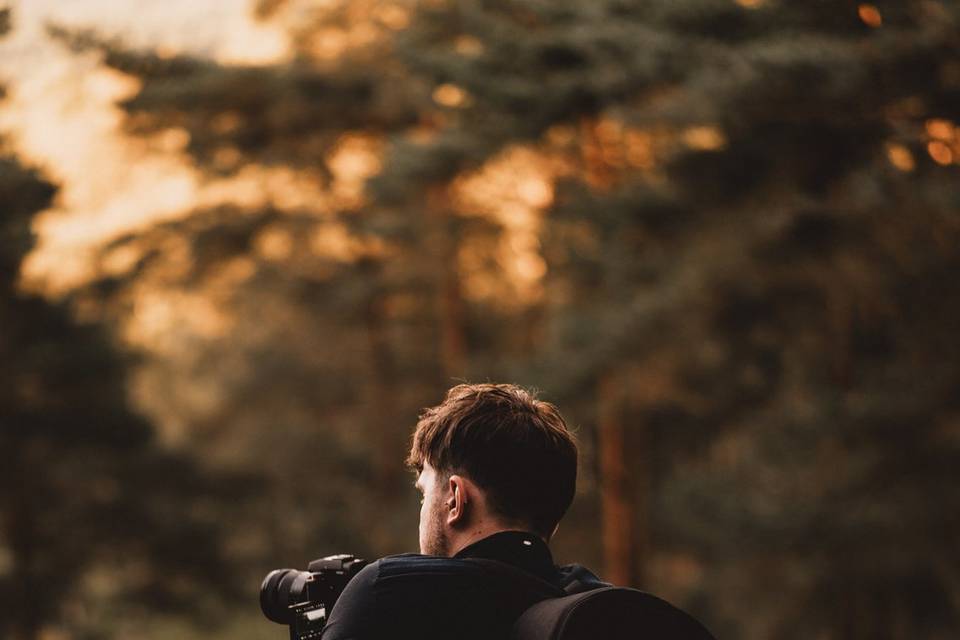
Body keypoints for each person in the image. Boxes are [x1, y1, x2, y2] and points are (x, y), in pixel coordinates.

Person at [320, 382, 605, 640]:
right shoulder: (598, 607)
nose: (422, 509)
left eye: (424, 494)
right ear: (553, 523)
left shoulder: (389, 592)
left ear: (455, 500)